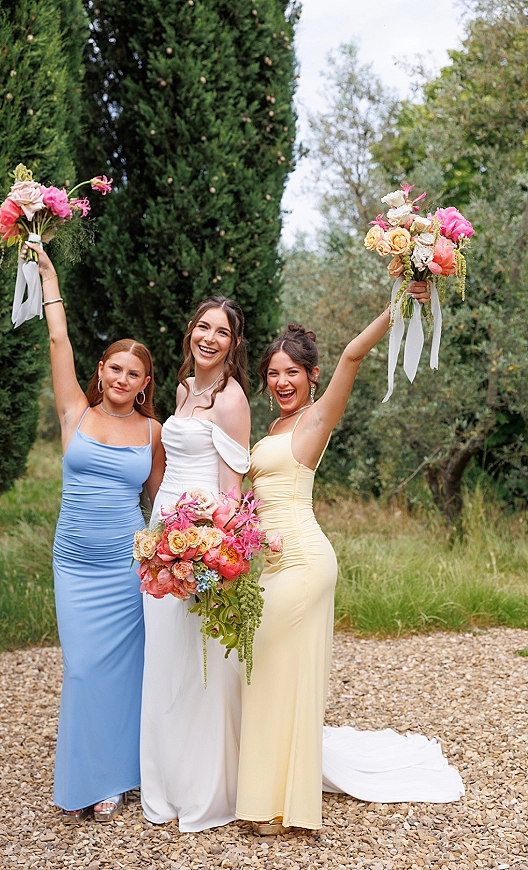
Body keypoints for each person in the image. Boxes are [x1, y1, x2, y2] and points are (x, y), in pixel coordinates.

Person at [236, 284, 464, 833]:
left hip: (305, 561)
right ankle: (269, 794)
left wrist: (400, 302)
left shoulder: (317, 419)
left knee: (273, 668)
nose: (283, 381)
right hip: (271, 562)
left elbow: (353, 355)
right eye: (273, 373)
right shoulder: (272, 429)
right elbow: (256, 495)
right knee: (266, 672)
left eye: (293, 372)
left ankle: (282, 806)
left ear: (311, 377)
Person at [23, 242, 165, 824]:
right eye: (114, 368)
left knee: (125, 671)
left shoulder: (154, 430)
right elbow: (59, 341)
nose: (121, 379)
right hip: (77, 564)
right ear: (101, 370)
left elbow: (162, 499)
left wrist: (194, 546)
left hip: (126, 567)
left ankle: (116, 777)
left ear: (144, 381)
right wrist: (49, 276)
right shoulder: (74, 413)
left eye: (133, 373)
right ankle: (88, 773)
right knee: (83, 667)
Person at [139, 295, 251, 832]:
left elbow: (232, 493)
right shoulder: (184, 389)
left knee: (202, 667)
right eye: (202, 327)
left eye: (221, 332)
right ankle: (165, 787)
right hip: (161, 540)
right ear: (191, 332)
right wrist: (160, 539)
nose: (209, 338)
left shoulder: (231, 400)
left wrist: (204, 547)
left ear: (233, 344)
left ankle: (206, 792)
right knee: (164, 663)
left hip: (200, 546)